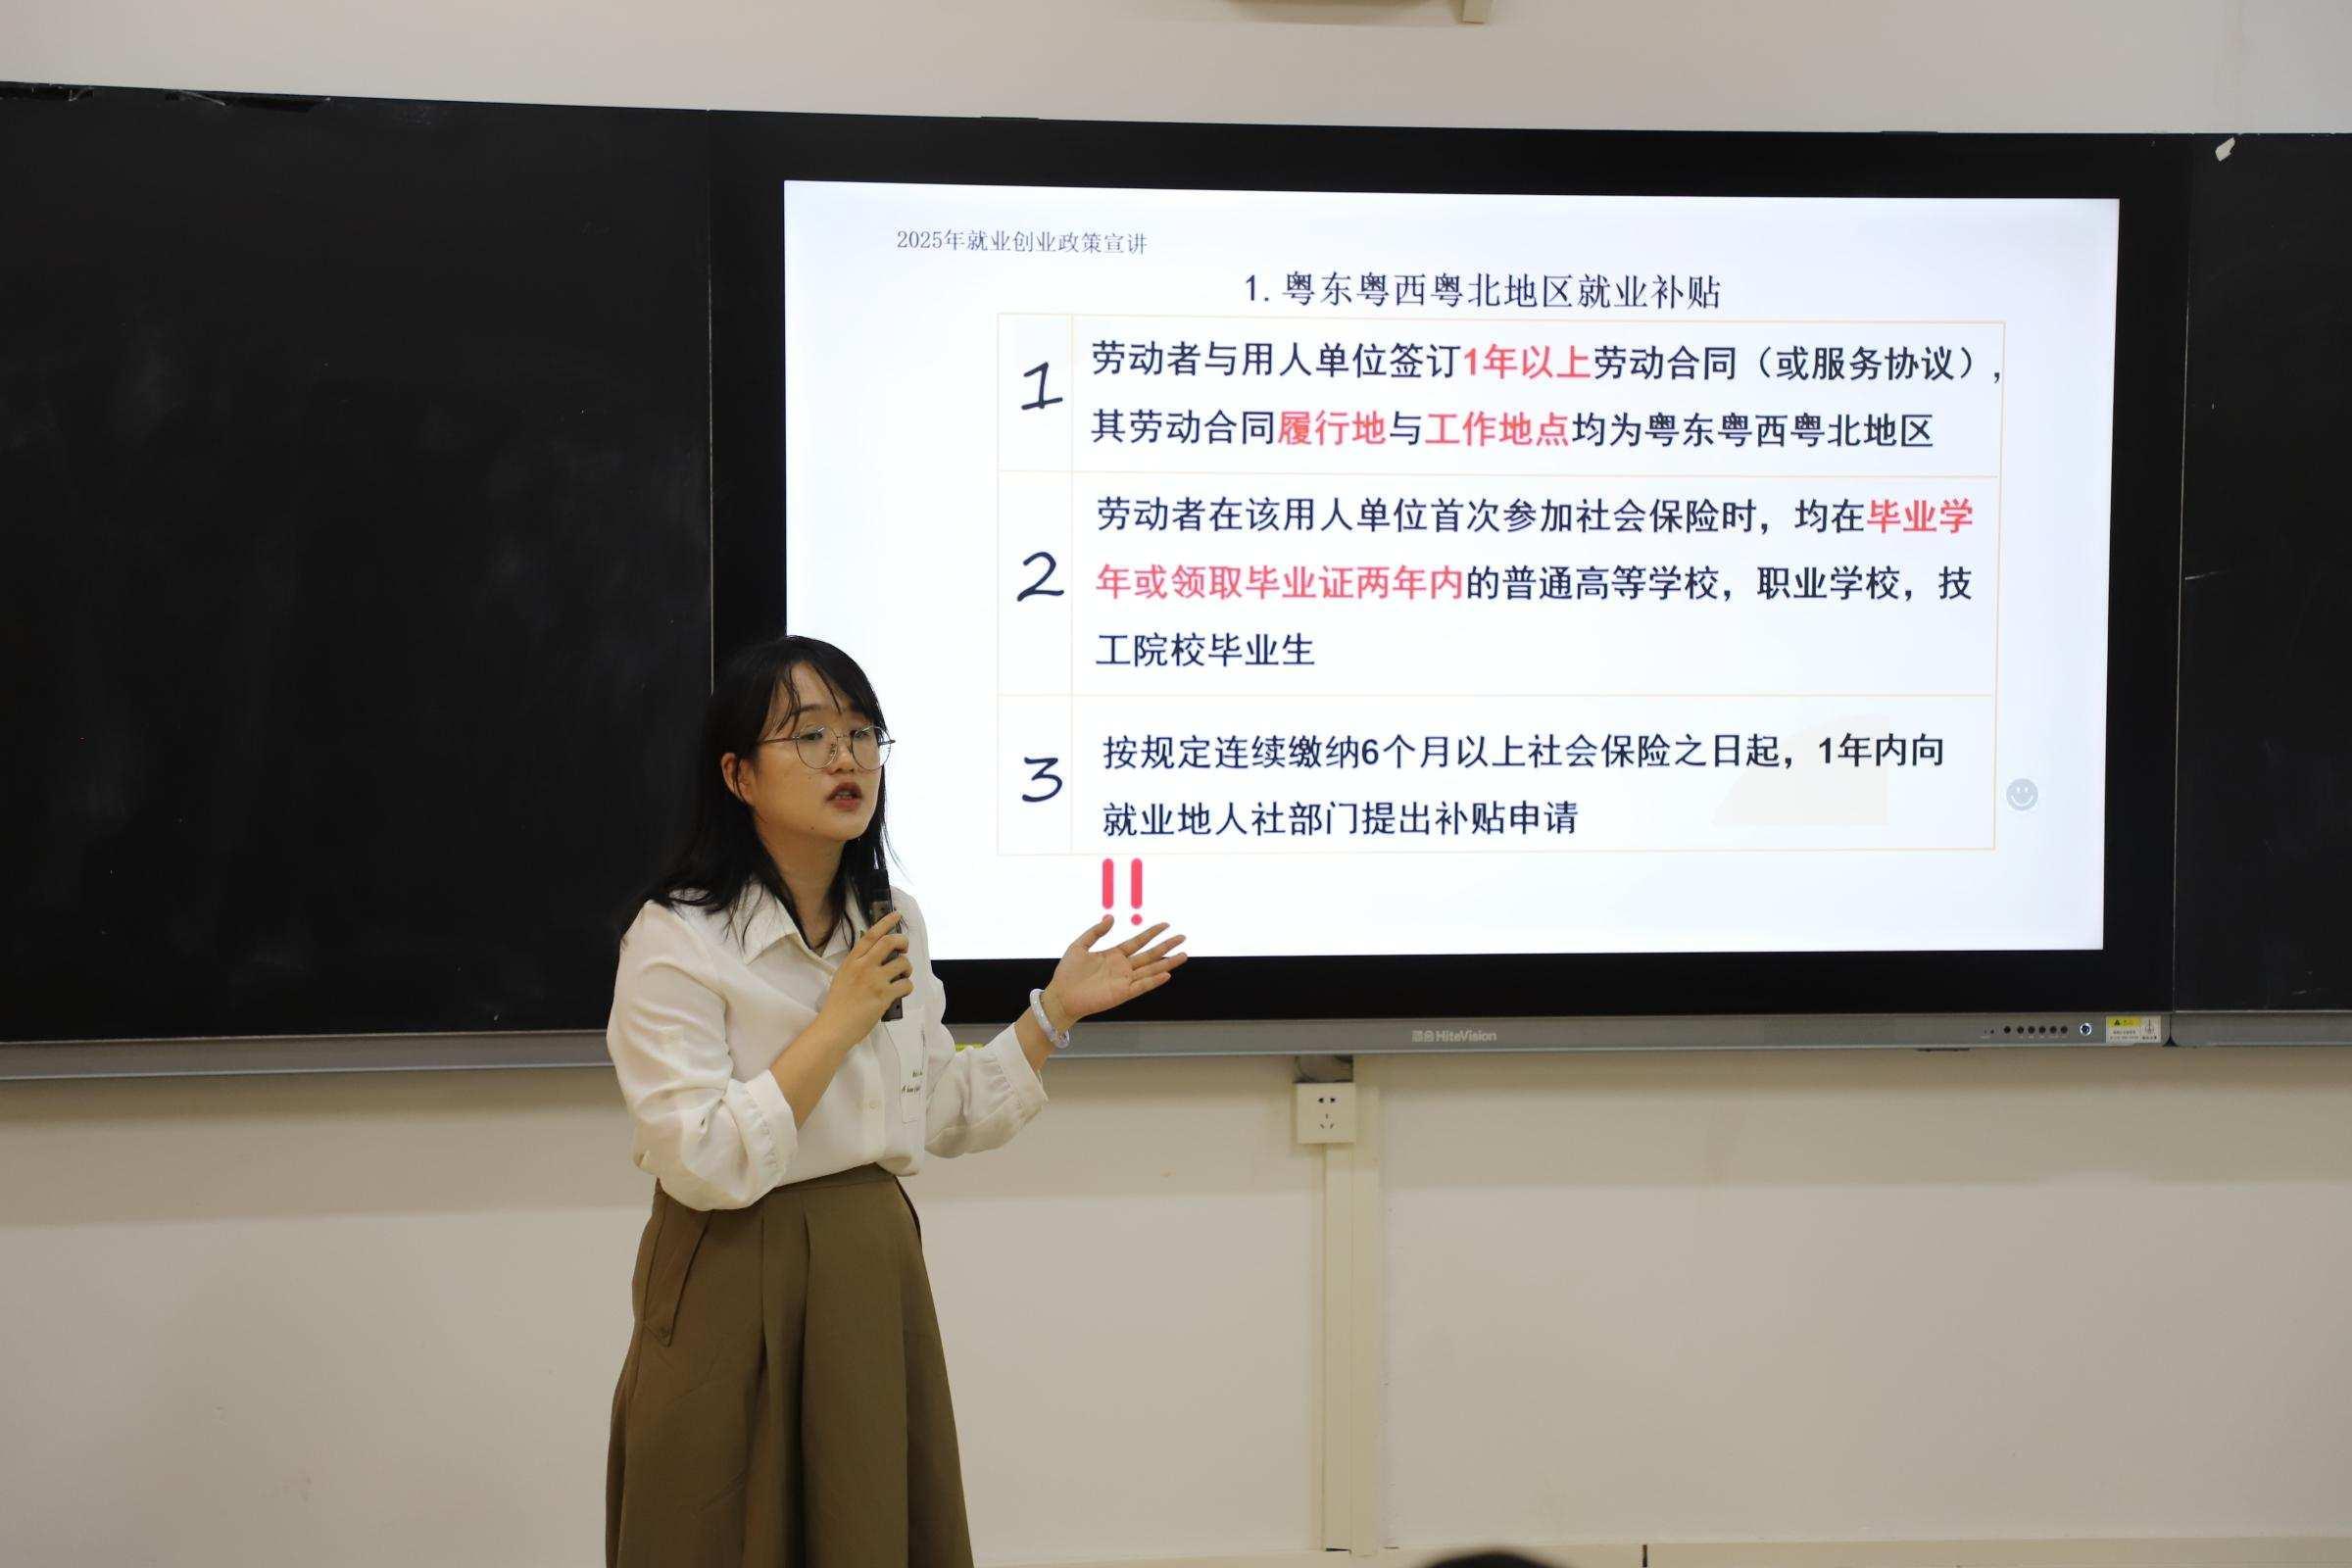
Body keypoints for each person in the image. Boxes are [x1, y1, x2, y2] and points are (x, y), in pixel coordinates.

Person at [602, 633, 1186, 1566]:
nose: (846, 758)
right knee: (716, 1522)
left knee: (868, 1525)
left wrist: (1055, 1012)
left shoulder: (890, 917)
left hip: (870, 1270)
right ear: (739, 775)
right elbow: (701, 1157)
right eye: (809, 735)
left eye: (862, 733)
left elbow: (939, 1108)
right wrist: (836, 1022)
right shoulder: (677, 937)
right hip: (730, 1263)